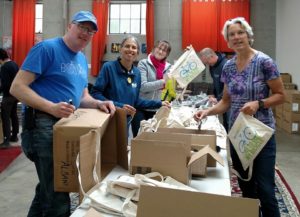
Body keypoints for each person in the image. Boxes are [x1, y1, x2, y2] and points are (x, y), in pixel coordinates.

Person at [10, 11, 115, 217]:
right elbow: (17, 87)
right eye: (82, 27)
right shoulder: (47, 49)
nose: (86, 33)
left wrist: (99, 103)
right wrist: (50, 107)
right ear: (70, 26)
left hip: (64, 127)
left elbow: (82, 96)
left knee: (48, 189)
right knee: (58, 194)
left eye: (91, 31)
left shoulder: (82, 60)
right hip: (43, 126)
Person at [194, 17, 284, 217]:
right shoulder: (228, 66)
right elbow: (225, 101)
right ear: (227, 40)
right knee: (246, 186)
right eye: (231, 34)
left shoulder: (264, 62)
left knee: (266, 189)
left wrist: (259, 103)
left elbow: (281, 95)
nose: (236, 37)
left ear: (249, 35)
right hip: (238, 136)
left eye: (240, 32)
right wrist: (207, 112)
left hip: (261, 135)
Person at [91, 36, 170, 136]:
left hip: (125, 123)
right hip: (108, 120)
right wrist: (119, 106)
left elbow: (136, 101)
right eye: (127, 46)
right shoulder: (108, 68)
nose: (130, 49)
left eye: (134, 47)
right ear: (121, 49)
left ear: (137, 53)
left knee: (123, 149)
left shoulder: (136, 73)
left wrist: (159, 103)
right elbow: (95, 93)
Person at [131, 40, 172, 137]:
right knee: (139, 138)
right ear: (154, 49)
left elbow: (181, 73)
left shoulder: (168, 67)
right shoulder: (143, 63)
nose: (161, 52)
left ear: (167, 54)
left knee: (153, 140)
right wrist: (163, 82)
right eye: (159, 48)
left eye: (164, 50)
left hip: (157, 109)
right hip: (141, 108)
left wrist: (187, 55)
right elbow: (143, 86)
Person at [199, 47, 229, 131]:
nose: (208, 64)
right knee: (225, 123)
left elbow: (227, 87)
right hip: (221, 100)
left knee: (229, 122)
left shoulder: (225, 65)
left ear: (212, 56)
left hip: (228, 100)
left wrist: (218, 98)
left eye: (207, 62)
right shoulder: (212, 66)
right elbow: (215, 82)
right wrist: (213, 94)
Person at [0, 48, 19, 148]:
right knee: (14, 115)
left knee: (5, 117)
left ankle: (6, 141)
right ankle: (14, 136)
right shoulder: (14, 64)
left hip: (8, 96)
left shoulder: (4, 67)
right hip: (16, 95)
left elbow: (5, 84)